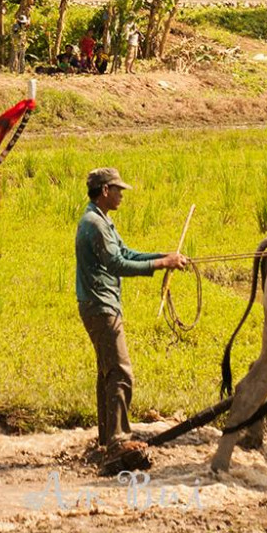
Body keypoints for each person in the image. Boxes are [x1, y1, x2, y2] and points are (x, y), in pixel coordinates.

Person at [74, 167, 188, 450]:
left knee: (108, 373)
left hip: (100, 303)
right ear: (104, 191)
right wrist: (161, 264)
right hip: (100, 306)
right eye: (118, 189)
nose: (121, 195)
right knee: (121, 372)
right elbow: (118, 265)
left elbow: (125, 253)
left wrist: (163, 256)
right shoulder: (95, 224)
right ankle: (119, 440)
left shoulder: (101, 220)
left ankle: (107, 437)